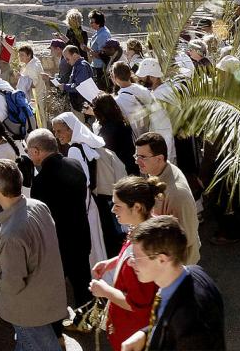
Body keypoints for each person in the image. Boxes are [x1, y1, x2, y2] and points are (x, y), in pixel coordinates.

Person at [0, 160, 67, 351]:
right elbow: (32, 247)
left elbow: (12, 284)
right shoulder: (38, 205)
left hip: (27, 311)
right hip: (46, 297)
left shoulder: (12, 232)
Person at [121, 215, 225, 351]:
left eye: (136, 256)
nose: (130, 262)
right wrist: (144, 334)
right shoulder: (194, 272)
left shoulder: (189, 321)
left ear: (162, 259)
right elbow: (168, 326)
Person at [25, 129, 94, 324]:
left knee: (53, 287)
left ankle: (55, 330)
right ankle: (86, 321)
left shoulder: (41, 181)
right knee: (82, 282)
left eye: (29, 150)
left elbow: (41, 218)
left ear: (37, 151)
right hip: (81, 233)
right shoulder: (74, 164)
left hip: (59, 244)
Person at [88, 176, 160, 351]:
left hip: (134, 332)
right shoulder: (144, 227)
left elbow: (136, 305)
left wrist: (104, 291)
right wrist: (111, 263)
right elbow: (127, 252)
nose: (113, 210)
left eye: (118, 205)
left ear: (137, 207)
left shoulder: (144, 252)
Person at [52, 112, 120, 260]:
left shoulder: (74, 150)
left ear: (70, 129)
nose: (57, 135)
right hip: (99, 198)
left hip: (89, 202)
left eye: (59, 131)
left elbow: (83, 181)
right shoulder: (88, 143)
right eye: (55, 132)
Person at [134, 132, 201, 265]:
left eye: (142, 157)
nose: (137, 161)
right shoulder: (158, 170)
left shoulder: (177, 194)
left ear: (159, 158)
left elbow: (187, 237)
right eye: (136, 155)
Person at [89, 92, 140, 175]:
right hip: (131, 166)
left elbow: (106, 153)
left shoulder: (108, 130)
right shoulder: (121, 121)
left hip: (122, 171)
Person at [136, 58, 176, 163]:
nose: (140, 80)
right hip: (161, 139)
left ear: (152, 77)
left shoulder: (161, 94)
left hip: (165, 140)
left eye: (143, 78)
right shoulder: (161, 90)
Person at [111, 61, 153, 140]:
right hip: (152, 130)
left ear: (115, 78)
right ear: (129, 74)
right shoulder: (143, 89)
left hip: (139, 138)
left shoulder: (118, 100)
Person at [61, 44, 94, 114]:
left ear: (75, 55)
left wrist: (64, 86)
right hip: (79, 106)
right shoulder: (77, 66)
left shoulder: (82, 67)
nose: (67, 61)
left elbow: (79, 86)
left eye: (67, 59)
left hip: (83, 107)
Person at [17, 45, 47, 109]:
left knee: (40, 118)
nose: (20, 57)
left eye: (22, 55)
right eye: (19, 55)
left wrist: (21, 78)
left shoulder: (32, 67)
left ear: (29, 55)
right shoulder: (31, 61)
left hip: (37, 98)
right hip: (35, 97)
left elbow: (33, 84)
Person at [87, 9, 112, 87]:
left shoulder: (103, 35)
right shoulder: (99, 31)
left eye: (92, 22)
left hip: (101, 68)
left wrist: (87, 50)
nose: (90, 24)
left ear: (98, 23)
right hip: (97, 65)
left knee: (101, 88)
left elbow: (102, 54)